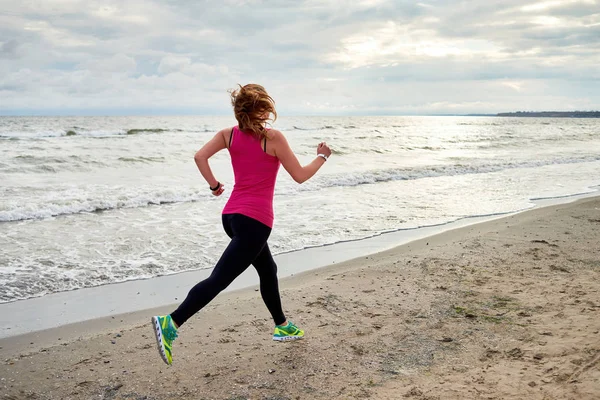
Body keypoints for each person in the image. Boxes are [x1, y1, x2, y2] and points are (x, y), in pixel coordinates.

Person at [152, 84, 332, 365]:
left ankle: (282, 325)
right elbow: (300, 175)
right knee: (219, 280)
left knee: (268, 268)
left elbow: (200, 157)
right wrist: (321, 156)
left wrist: (214, 186)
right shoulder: (272, 139)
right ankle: (171, 322)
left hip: (232, 217)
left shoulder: (229, 135)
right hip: (255, 222)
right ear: (262, 109)